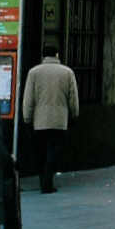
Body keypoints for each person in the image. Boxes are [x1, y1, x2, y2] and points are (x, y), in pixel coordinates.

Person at [22, 44, 79, 194]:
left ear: (43, 56)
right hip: (59, 120)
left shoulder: (34, 72)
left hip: (39, 121)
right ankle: (48, 182)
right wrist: (74, 114)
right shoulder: (67, 72)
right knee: (54, 151)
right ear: (57, 55)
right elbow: (73, 98)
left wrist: (27, 118)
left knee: (40, 152)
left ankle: (43, 181)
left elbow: (28, 98)